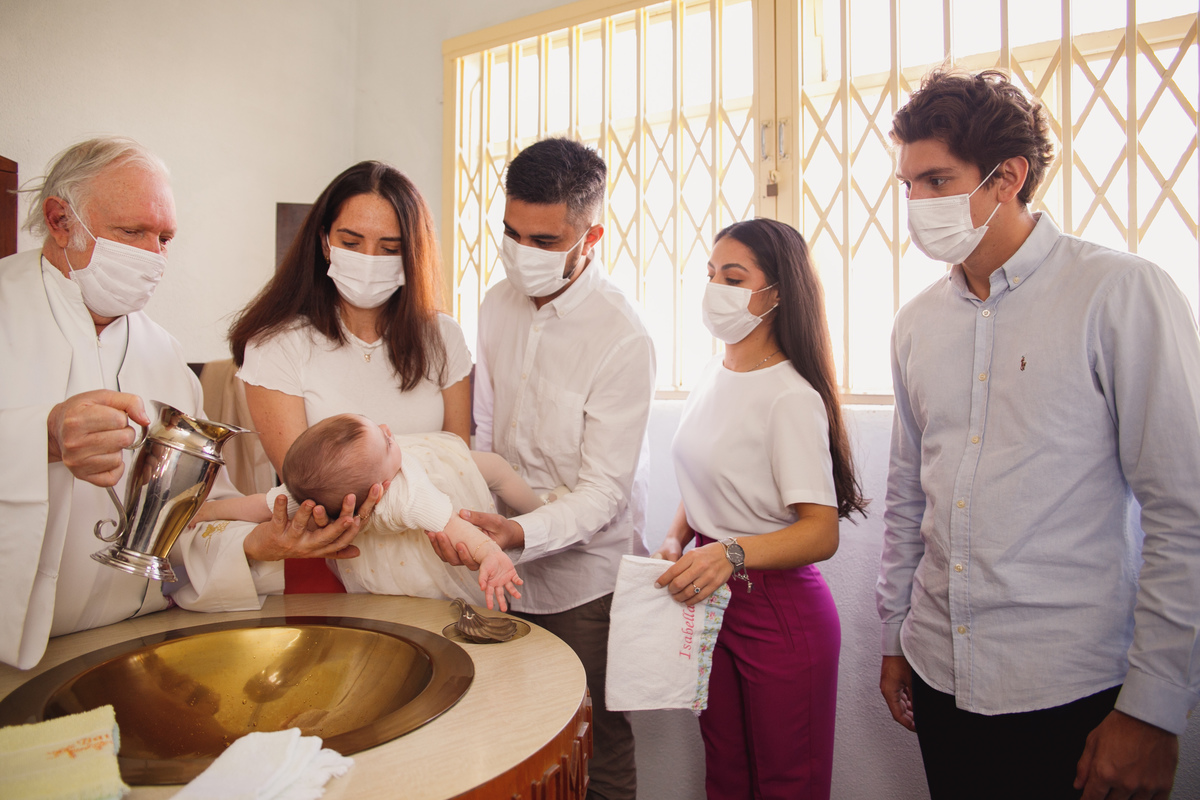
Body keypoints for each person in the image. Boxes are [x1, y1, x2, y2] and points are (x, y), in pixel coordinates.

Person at [876, 68, 1200, 800]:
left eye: (936, 181)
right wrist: (896, 636)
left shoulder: (1119, 294)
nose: (917, 204)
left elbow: (1183, 512)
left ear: (1006, 178)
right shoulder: (916, 324)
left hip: (1072, 692)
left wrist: (1151, 710)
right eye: (908, 186)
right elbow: (906, 498)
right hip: (938, 674)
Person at [0, 137, 367, 671]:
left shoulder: (164, 356)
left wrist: (256, 544)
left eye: (165, 237)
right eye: (132, 232)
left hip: (135, 640)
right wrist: (42, 441)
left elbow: (190, 520)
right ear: (60, 220)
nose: (153, 255)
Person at [428, 137, 655, 800]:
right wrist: (479, 528)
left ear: (593, 236)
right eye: (511, 233)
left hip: (586, 582)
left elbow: (605, 493)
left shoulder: (621, 337)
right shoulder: (497, 303)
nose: (523, 253)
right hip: (501, 570)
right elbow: (488, 433)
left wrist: (519, 534)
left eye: (546, 241)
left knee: (596, 740)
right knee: (511, 730)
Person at [654, 218, 866, 799]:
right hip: (711, 594)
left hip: (777, 612)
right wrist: (677, 536)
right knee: (724, 774)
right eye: (710, 274)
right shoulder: (714, 374)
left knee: (784, 784)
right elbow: (708, 477)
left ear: (776, 292)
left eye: (734, 276)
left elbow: (821, 533)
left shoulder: (790, 396)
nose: (715, 288)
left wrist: (730, 552)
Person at [229, 160, 471, 590]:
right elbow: (310, 488)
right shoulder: (276, 345)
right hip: (329, 559)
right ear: (325, 242)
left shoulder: (443, 337)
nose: (368, 260)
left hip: (437, 556)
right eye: (351, 241)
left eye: (390, 247)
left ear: (413, 253)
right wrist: (417, 499)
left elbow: (458, 461)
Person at [191, 413, 567, 611]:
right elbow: (454, 526)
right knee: (498, 469)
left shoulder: (307, 492)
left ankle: (543, 512)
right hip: (443, 469)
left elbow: (259, 505)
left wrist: (208, 511)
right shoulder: (407, 492)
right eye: (388, 442)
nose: (391, 430)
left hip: (383, 556)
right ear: (380, 486)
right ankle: (543, 510)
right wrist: (491, 556)